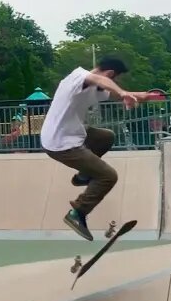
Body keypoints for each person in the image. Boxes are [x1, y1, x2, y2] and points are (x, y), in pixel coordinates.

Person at [40, 56, 150, 241]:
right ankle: (78, 213)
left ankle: (83, 175)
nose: (113, 84)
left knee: (106, 137)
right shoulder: (78, 78)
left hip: (73, 134)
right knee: (108, 176)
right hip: (60, 143)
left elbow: (112, 92)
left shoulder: (93, 87)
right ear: (110, 74)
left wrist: (139, 95)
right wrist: (123, 92)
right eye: (115, 80)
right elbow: (102, 81)